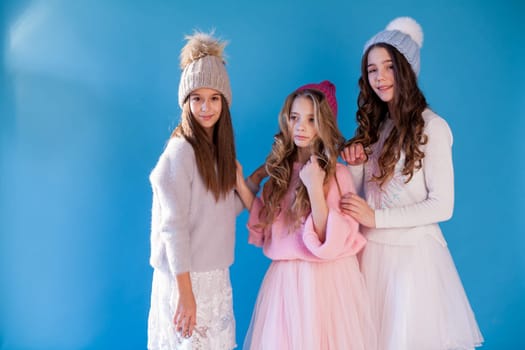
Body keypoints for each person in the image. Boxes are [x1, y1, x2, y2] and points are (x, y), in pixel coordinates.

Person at [340, 17, 484, 350]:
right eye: (372, 69)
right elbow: (368, 196)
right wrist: (358, 166)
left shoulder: (432, 127)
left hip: (411, 260)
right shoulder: (378, 126)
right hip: (371, 253)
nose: (380, 77)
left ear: (407, 69)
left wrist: (376, 219)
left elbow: (442, 205)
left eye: (389, 66)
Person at [236, 81, 377, 350]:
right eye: (295, 117)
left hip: (327, 282)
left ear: (324, 124)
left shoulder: (338, 175)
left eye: (311, 120)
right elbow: (266, 226)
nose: (301, 127)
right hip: (286, 283)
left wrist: (314, 187)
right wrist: (241, 183)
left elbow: (329, 242)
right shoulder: (280, 176)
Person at [147, 31, 244, 350]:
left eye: (214, 98)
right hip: (186, 278)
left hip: (214, 277)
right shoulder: (180, 152)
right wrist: (186, 295)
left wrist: (247, 182)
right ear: (186, 101)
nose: (206, 107)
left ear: (224, 102)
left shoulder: (216, 152)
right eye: (197, 98)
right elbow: (174, 228)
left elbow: (218, 214)